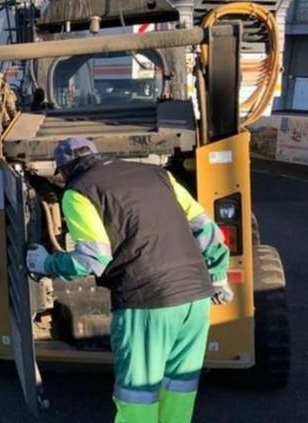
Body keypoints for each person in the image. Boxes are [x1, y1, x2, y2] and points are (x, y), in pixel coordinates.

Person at [26, 137, 231, 423]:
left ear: (65, 170)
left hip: (148, 304)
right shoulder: (158, 175)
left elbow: (92, 260)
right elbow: (206, 229)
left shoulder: (79, 192)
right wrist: (219, 275)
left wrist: (45, 263)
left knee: (138, 394)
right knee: (179, 386)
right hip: (196, 300)